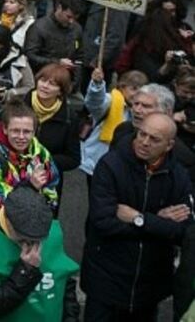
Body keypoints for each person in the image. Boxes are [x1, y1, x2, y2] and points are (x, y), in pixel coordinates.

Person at [82, 113, 194, 321]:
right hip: (107, 279)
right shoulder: (110, 166)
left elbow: (183, 232)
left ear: (169, 146)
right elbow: (103, 222)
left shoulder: (178, 175)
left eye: (154, 139)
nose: (144, 142)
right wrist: (159, 222)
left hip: (149, 286)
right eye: (142, 134)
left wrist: (140, 218)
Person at [0, 186, 80, 321]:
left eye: (38, 240)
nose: (32, 245)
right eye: (24, 239)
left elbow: (65, 283)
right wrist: (25, 270)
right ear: (8, 221)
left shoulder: (52, 232)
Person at [0, 103, 60, 213]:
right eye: (15, 131)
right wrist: (30, 187)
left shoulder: (41, 153)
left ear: (34, 132)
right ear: (5, 129)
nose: (21, 137)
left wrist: (43, 210)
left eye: (26, 131)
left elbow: (52, 187)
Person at [30, 63, 81, 180]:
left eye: (52, 84)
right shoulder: (20, 106)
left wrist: (45, 160)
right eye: (43, 80)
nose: (45, 86)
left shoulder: (69, 117)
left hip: (48, 177)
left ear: (60, 91)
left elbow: (73, 159)